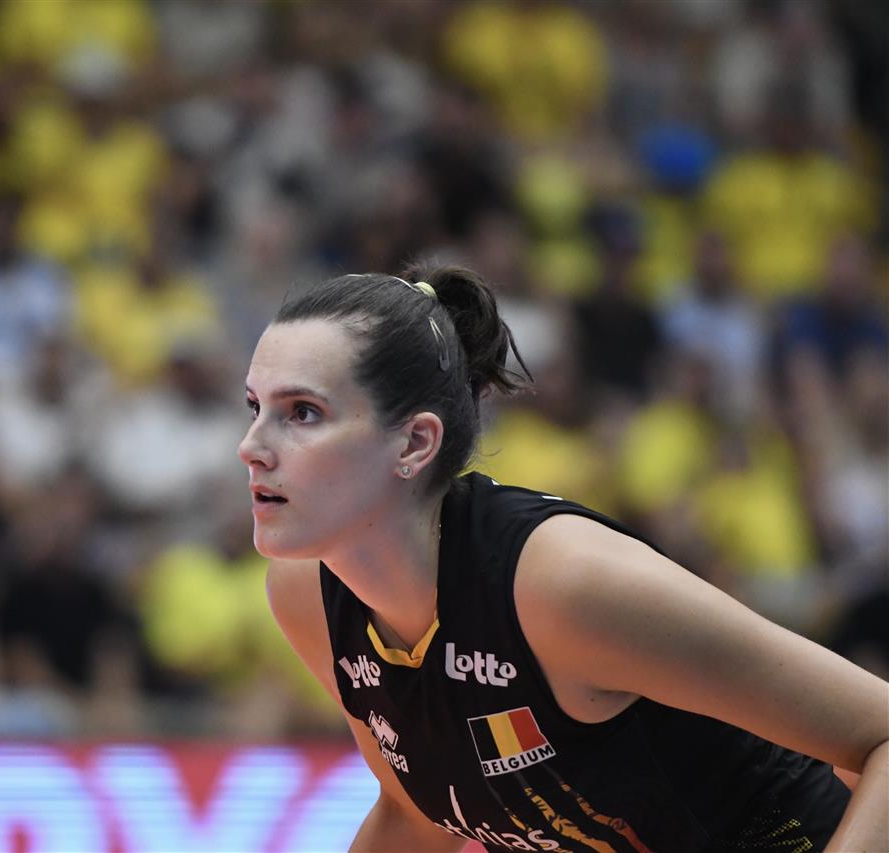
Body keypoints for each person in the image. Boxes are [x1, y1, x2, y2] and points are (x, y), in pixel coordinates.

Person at [239, 265, 887, 852]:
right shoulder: (306, 595)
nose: (251, 446)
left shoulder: (565, 585)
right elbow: (416, 817)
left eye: (303, 412)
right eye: (255, 407)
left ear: (414, 443)